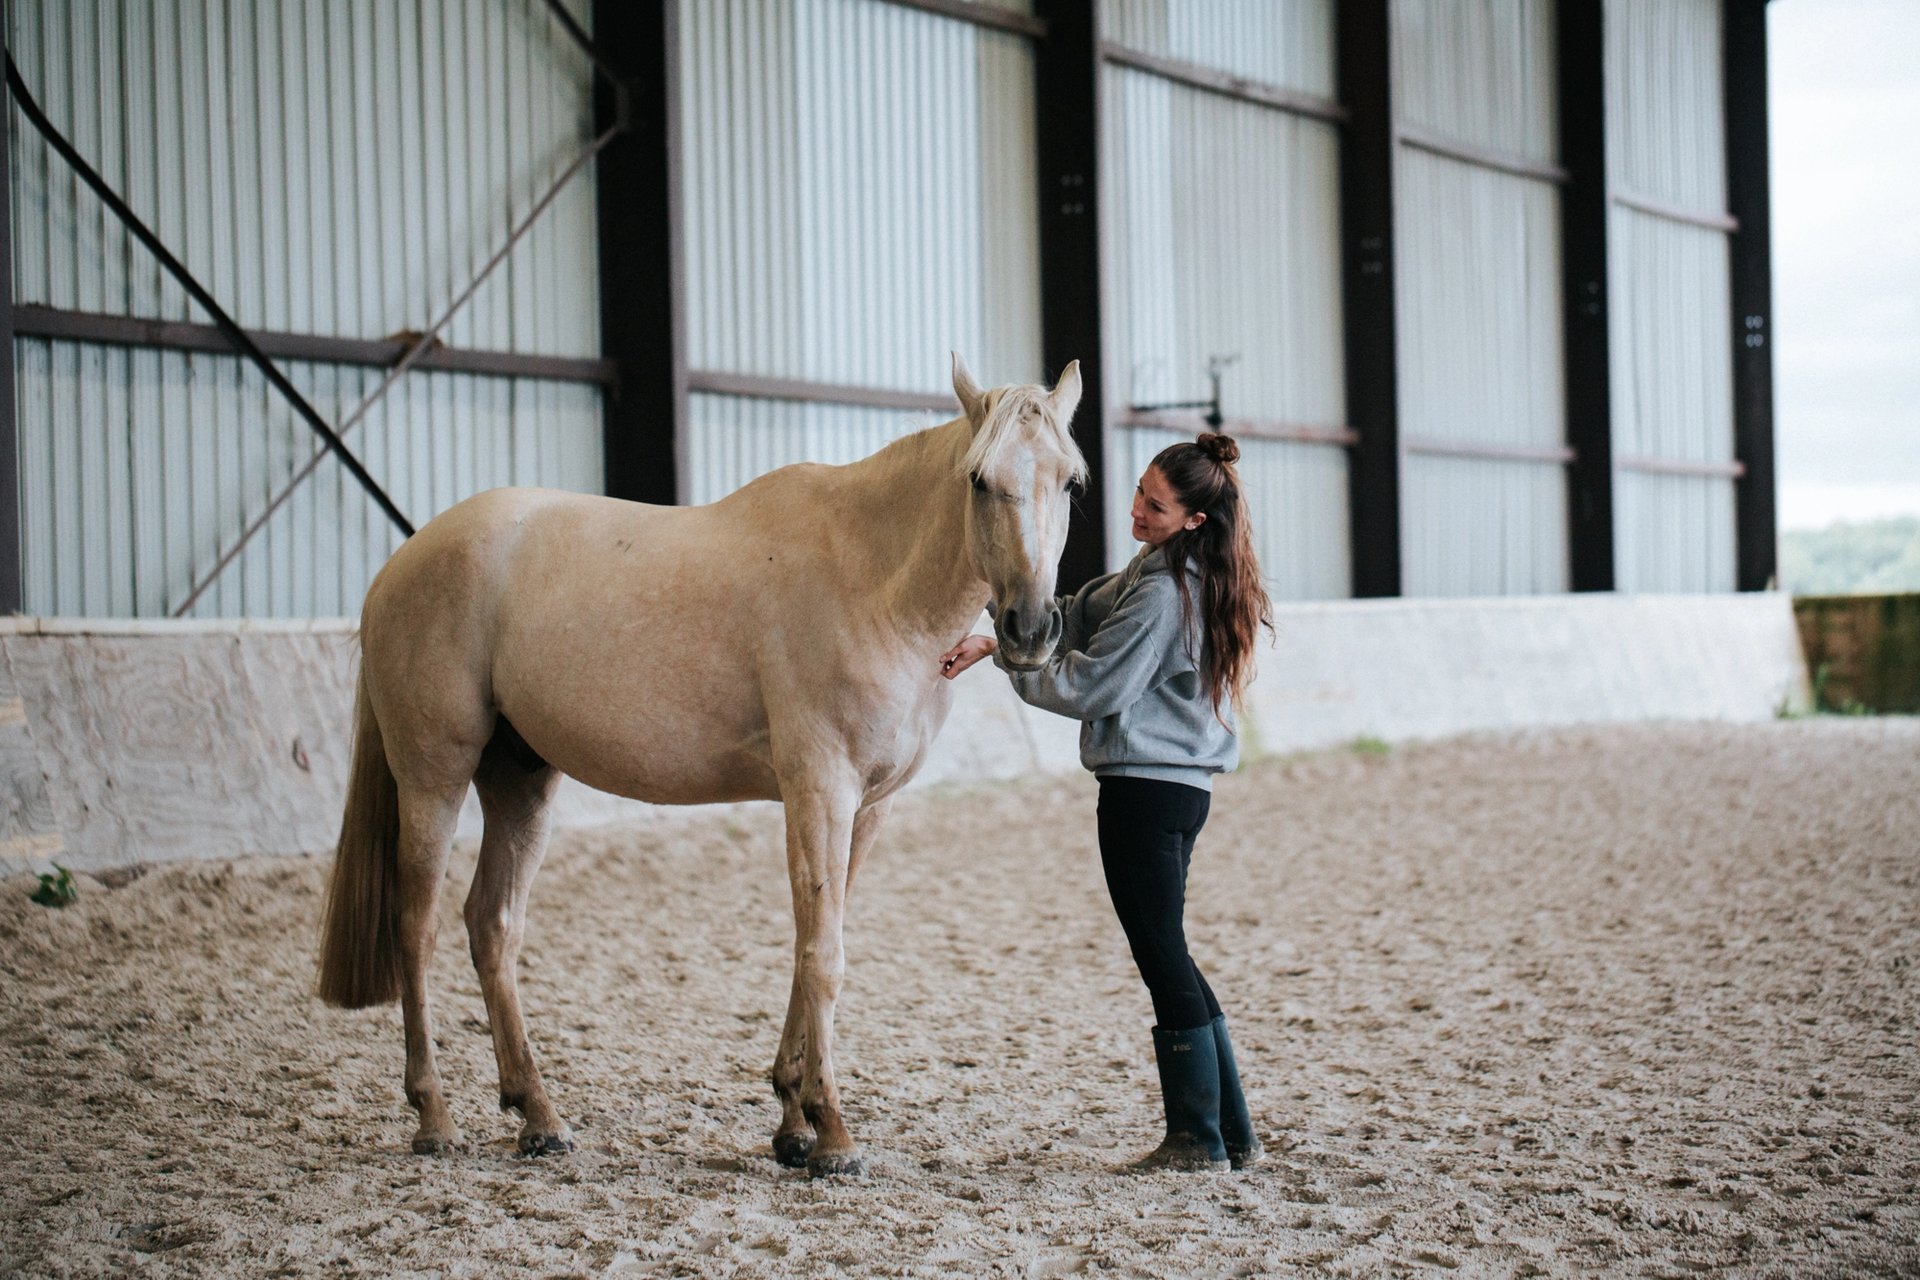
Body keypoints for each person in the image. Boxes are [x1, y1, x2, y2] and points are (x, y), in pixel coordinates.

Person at [940, 432, 1274, 1172]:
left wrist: (1014, 664)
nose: (1135, 511)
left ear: (1193, 519)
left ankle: (1197, 1139)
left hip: (1146, 794)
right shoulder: (1170, 569)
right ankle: (1232, 1133)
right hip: (1176, 790)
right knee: (1171, 952)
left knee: (1161, 957)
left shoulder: (1163, 593)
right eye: (1138, 494)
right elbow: (1079, 612)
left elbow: (1092, 684)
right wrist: (1004, 629)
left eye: (1154, 506)